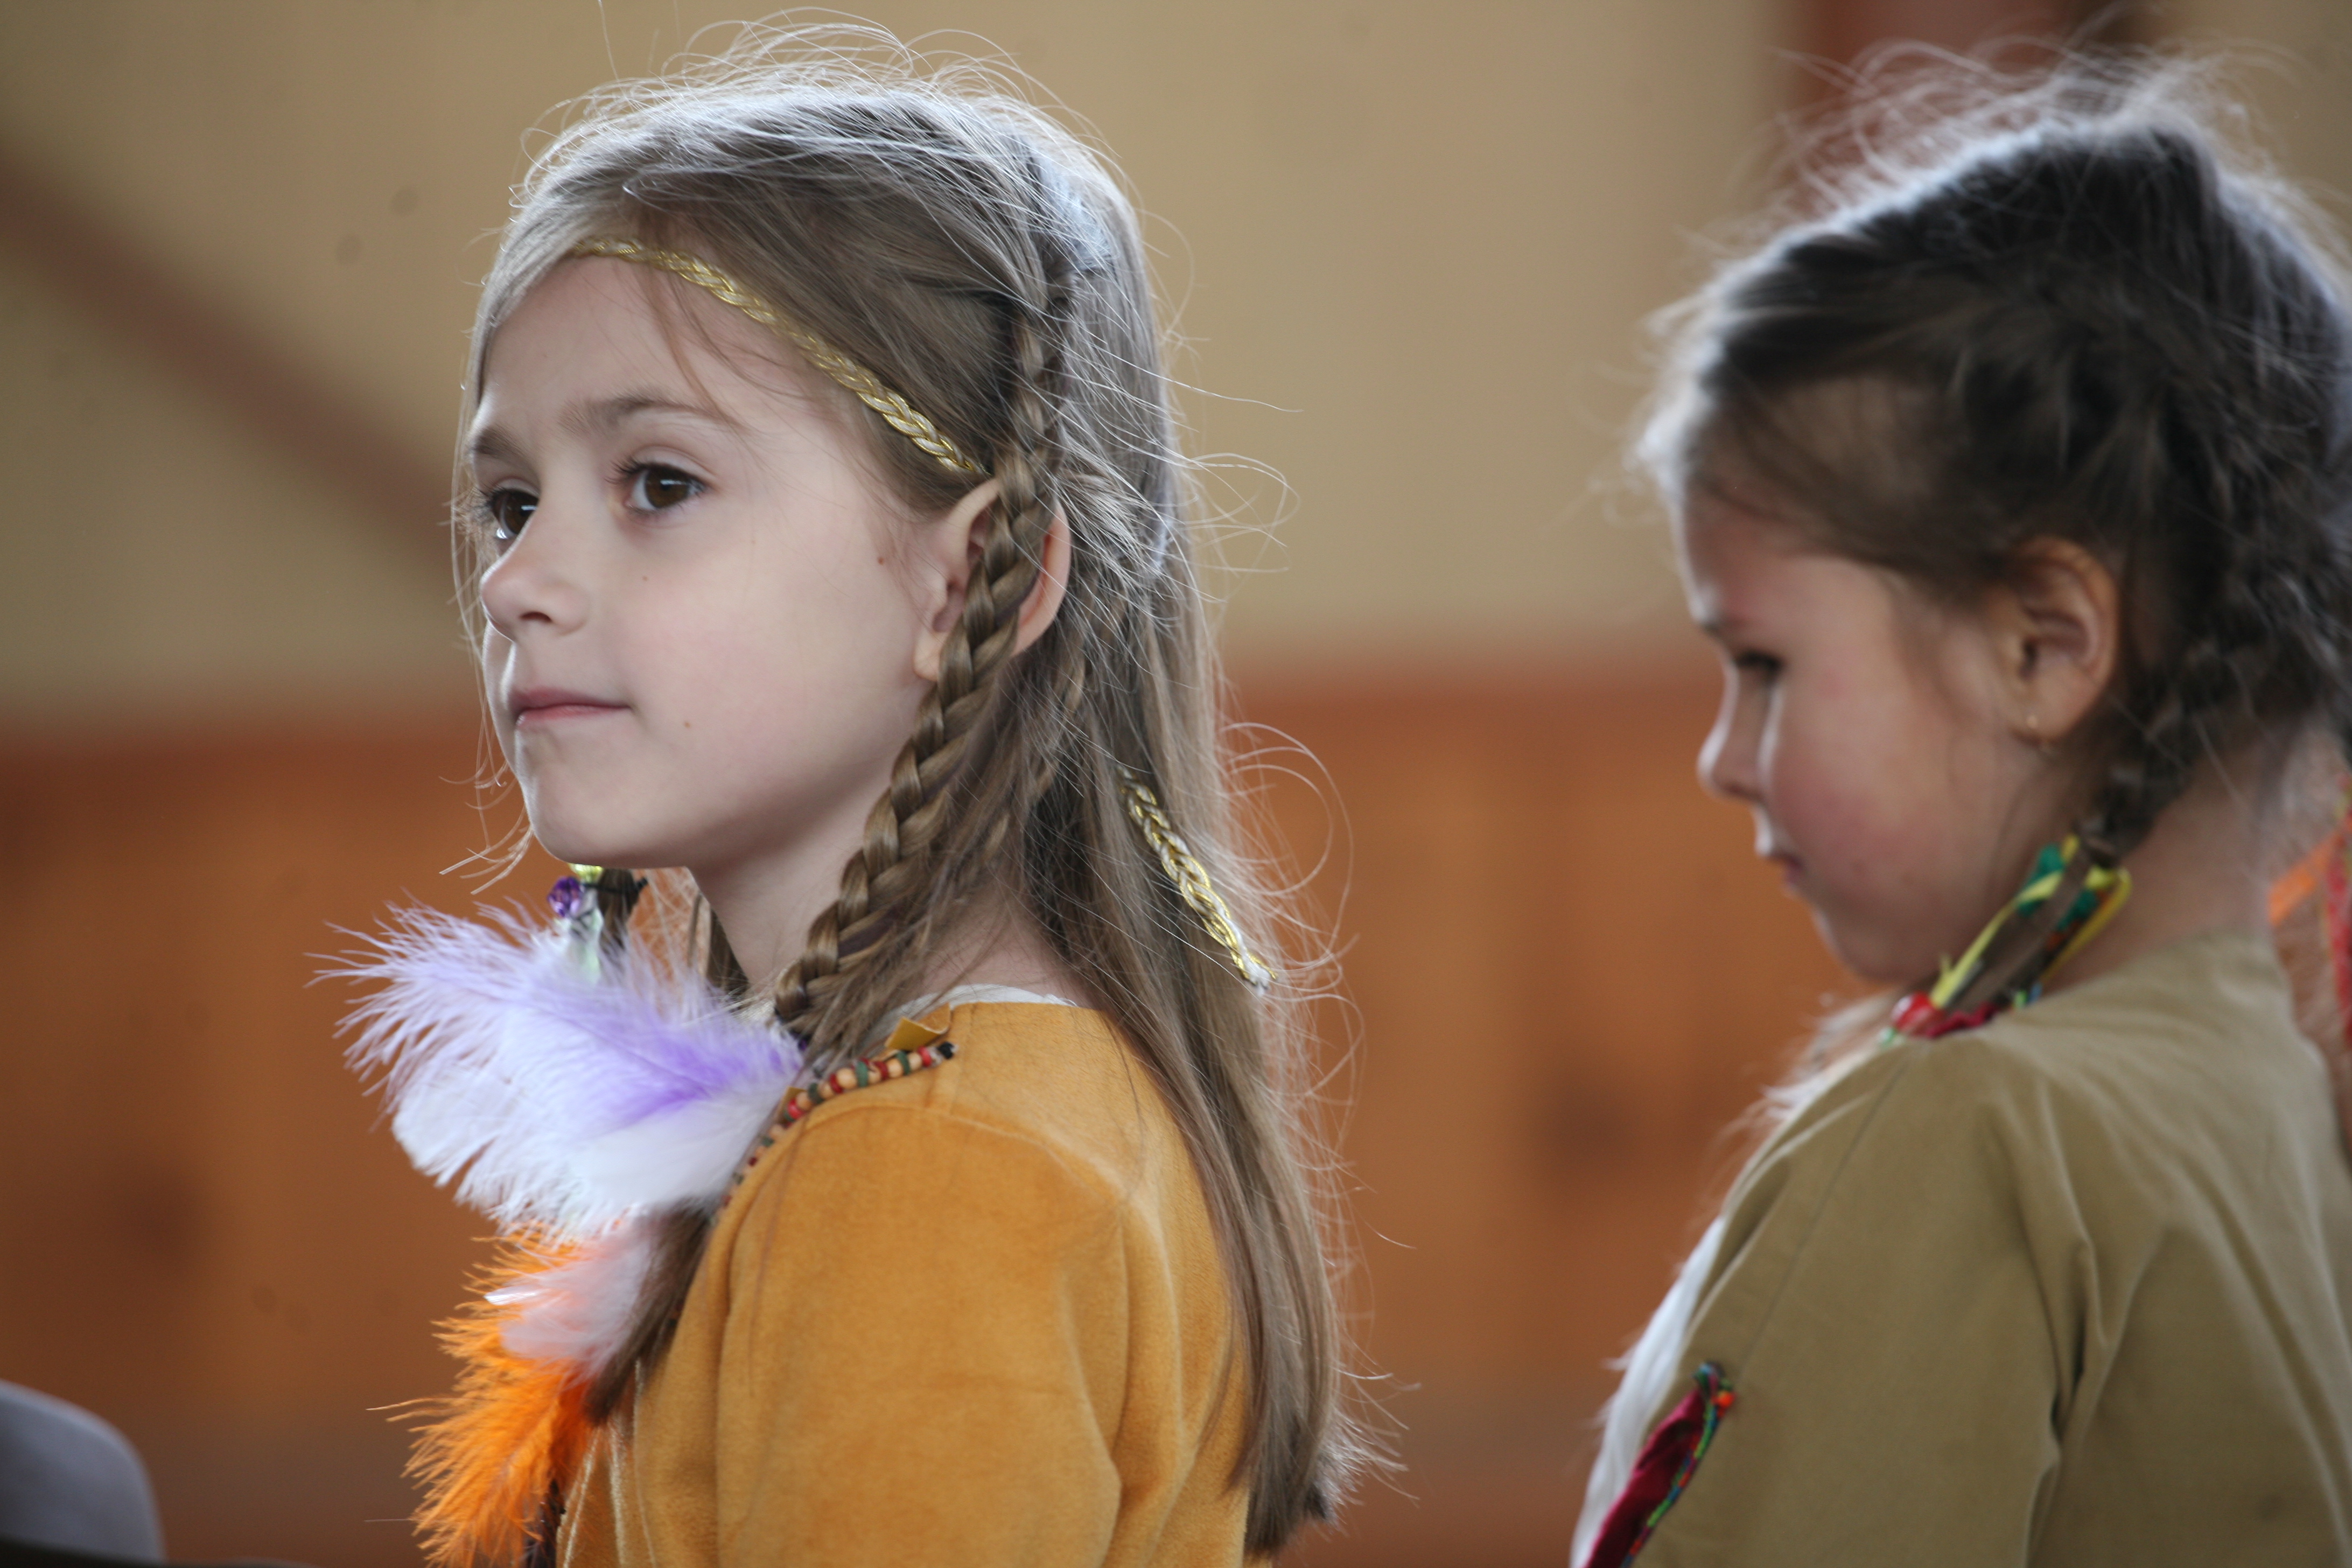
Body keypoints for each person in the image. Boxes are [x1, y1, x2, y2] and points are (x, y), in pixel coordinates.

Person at [342, 27, 1361, 1568]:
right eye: (510, 502)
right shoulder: (946, 1114)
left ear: (968, 581)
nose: (518, 580)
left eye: (659, 484)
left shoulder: (934, 1174)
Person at [1573, 54, 2352, 1567]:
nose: (1723, 756)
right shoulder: (2277, 1092)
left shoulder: (1967, 1137)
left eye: (1764, 662)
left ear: (2043, 646)